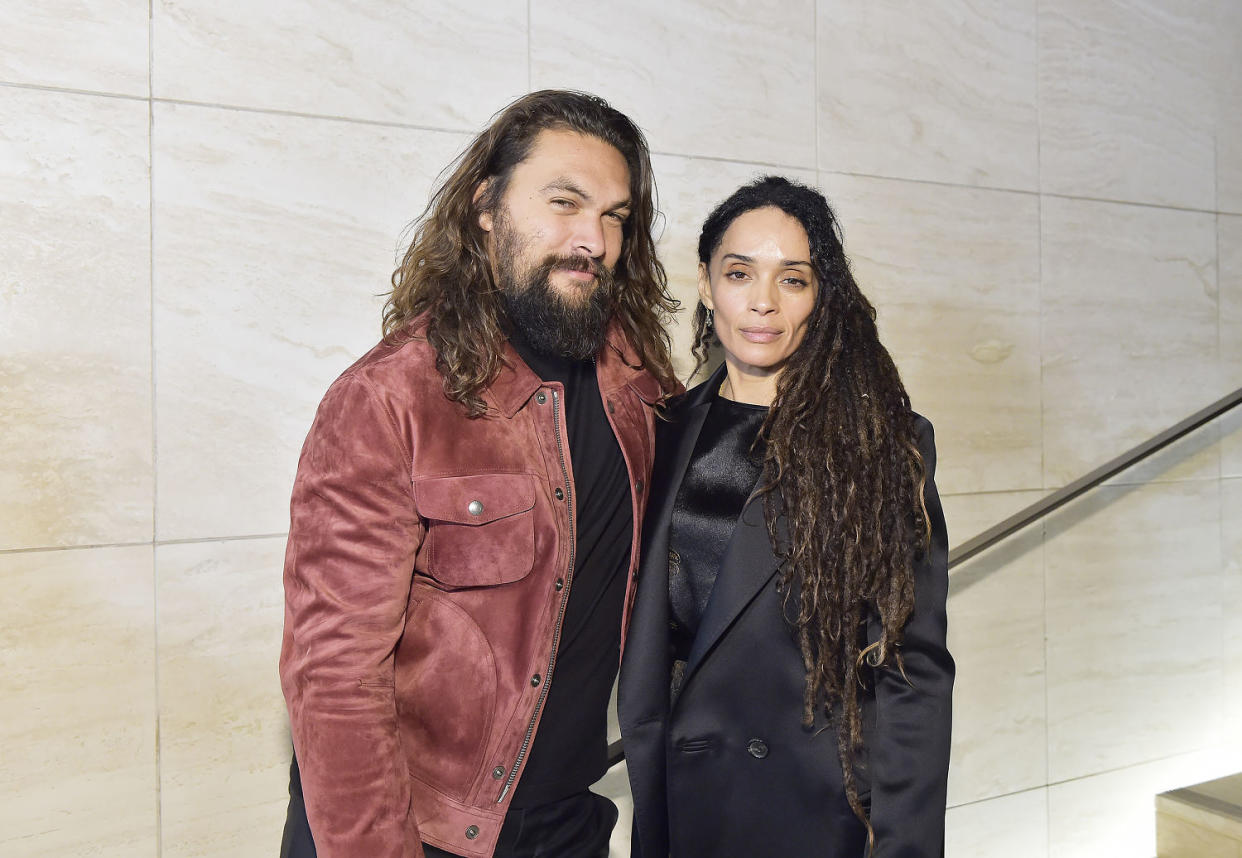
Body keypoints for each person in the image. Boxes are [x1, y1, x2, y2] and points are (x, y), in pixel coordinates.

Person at [278, 89, 680, 858]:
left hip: (568, 824)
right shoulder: (390, 398)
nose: (591, 238)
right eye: (564, 202)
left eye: (616, 216)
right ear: (487, 206)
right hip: (409, 829)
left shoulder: (642, 390)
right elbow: (333, 677)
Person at [617, 176, 953, 857]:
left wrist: (906, 844)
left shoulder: (879, 443)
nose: (762, 302)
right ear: (708, 285)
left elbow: (912, 667)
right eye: (739, 273)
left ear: (820, 296)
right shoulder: (660, 430)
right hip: (679, 797)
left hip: (813, 806)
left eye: (793, 280)